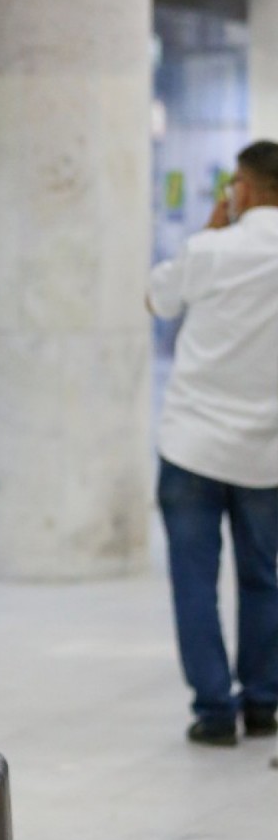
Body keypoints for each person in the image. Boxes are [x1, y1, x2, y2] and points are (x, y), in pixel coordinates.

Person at [148, 140, 278, 746]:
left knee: (195, 581)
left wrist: (208, 230)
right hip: (266, 451)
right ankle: (263, 702)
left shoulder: (209, 249)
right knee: (263, 577)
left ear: (242, 189)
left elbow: (156, 298)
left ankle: (215, 711)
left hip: (193, 445)